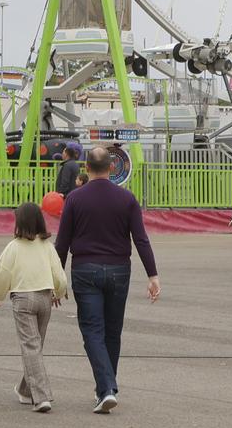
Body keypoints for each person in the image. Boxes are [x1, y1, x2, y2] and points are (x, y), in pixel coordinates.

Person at [54, 145, 160, 411]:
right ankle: (107, 386)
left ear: (86, 167)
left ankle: (105, 387)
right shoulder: (127, 199)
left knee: (92, 330)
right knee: (113, 331)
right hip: (119, 270)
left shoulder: (75, 199)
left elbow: (62, 243)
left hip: (85, 269)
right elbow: (141, 239)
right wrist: (153, 274)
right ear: (112, 168)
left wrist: (56, 281)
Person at [0, 202, 70, 412]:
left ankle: (41, 397)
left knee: (30, 347)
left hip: (23, 298)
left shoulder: (14, 247)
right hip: (45, 298)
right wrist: (59, 292)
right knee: (36, 346)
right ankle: (25, 391)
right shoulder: (47, 246)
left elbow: (2, 274)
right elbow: (59, 275)